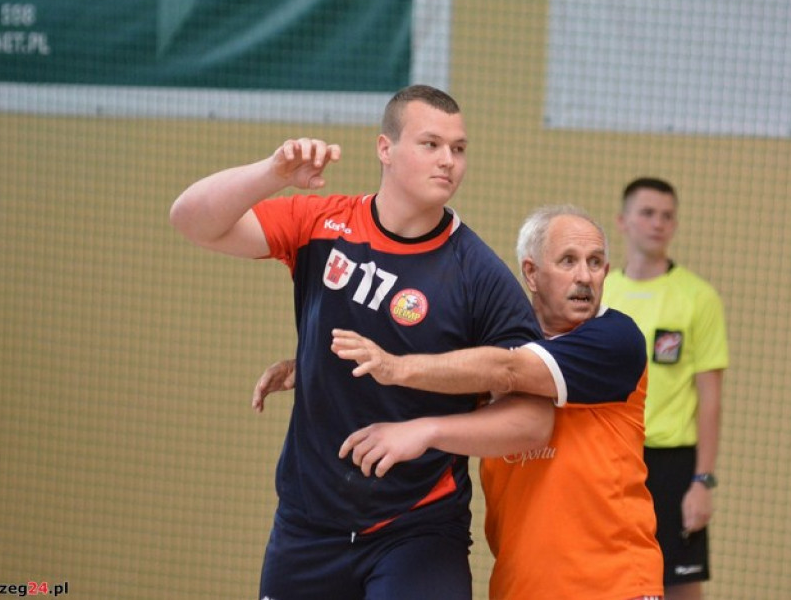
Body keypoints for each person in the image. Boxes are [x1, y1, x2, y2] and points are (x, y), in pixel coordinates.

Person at [169, 84, 553, 600]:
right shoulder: (322, 224)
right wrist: (272, 174)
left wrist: (427, 430)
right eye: (431, 144)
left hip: (417, 528)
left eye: (458, 149)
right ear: (385, 149)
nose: (448, 162)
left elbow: (533, 420)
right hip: (307, 525)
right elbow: (191, 220)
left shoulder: (479, 274)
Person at [259, 205, 665, 599]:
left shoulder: (615, 341)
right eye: (568, 261)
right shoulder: (486, 351)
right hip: (521, 587)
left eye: (595, 263)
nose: (585, 277)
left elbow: (506, 370)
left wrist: (396, 368)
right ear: (531, 273)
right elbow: (443, 371)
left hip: (615, 584)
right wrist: (319, 365)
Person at [602, 178, 730, 600]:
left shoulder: (698, 297)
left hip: (673, 465)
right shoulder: (602, 294)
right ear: (623, 221)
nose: (658, 223)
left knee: (678, 585)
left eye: (667, 215)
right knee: (608, 578)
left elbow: (710, 398)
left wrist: (702, 481)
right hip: (612, 462)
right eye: (647, 213)